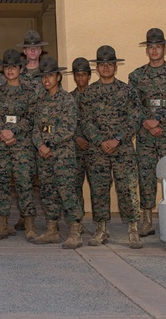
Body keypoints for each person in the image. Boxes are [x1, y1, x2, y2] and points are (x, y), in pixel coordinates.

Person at [128, 27, 166, 237]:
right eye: (151, 47)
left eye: (158, 47)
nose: (154, 51)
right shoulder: (136, 76)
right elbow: (133, 105)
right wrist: (146, 122)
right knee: (145, 176)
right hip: (145, 135)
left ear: (165, 49)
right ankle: (146, 220)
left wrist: (158, 120)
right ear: (147, 50)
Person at [80, 46, 142, 248]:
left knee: (128, 189)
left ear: (115, 67)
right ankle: (101, 229)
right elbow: (85, 122)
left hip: (122, 148)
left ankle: (133, 229)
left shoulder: (128, 91)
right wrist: (100, 141)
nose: (106, 68)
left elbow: (134, 119)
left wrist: (116, 139)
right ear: (97, 68)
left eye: (109, 64)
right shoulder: (88, 93)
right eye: (102, 64)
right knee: (99, 190)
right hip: (98, 151)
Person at [32, 55, 83, 249]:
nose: (46, 80)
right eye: (43, 77)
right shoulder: (39, 101)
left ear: (58, 77)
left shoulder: (67, 100)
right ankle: (52, 230)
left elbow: (68, 129)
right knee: (48, 192)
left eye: (50, 76)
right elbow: (35, 128)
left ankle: (74, 232)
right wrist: (40, 146)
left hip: (62, 155)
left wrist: (48, 145)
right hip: (44, 155)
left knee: (67, 192)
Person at [0, 49, 39, 241]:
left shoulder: (29, 92)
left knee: (24, 184)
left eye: (14, 67)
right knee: (0, 183)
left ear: (21, 68)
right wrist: (3, 132)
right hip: (0, 144)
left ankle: (29, 225)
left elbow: (32, 117)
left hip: (22, 145)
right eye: (7, 67)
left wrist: (14, 131)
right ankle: (2, 225)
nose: (10, 70)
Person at [69, 57, 95, 231]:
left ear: (89, 76)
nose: (80, 79)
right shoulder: (68, 98)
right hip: (74, 149)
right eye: (77, 75)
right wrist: (77, 137)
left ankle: (100, 223)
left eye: (84, 75)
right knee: (75, 187)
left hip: (95, 149)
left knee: (97, 187)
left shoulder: (97, 96)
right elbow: (66, 123)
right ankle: (77, 223)